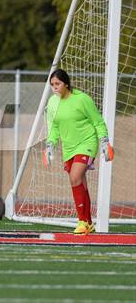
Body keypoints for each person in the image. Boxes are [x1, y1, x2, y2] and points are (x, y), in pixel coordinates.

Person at [43, 69, 114, 235]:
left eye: (57, 84)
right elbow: (53, 128)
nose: (54, 87)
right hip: (68, 148)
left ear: (66, 83)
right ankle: (88, 222)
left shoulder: (82, 99)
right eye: (52, 84)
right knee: (80, 182)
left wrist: (104, 143)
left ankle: (81, 221)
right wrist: (49, 146)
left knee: (75, 177)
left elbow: (98, 122)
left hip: (87, 143)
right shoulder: (52, 103)